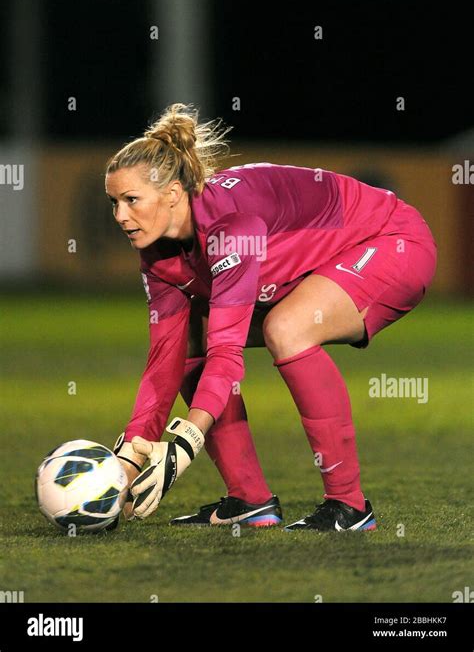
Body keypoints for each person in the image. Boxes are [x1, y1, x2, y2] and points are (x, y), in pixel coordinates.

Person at [105, 103, 437, 532]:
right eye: (113, 202)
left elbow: (227, 353)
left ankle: (349, 506)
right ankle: (249, 500)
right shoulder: (157, 252)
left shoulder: (232, 226)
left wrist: (186, 439)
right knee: (192, 339)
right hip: (324, 263)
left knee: (287, 328)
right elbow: (165, 358)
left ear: (171, 195)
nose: (120, 216)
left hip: (393, 240)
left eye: (131, 200)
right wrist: (135, 449)